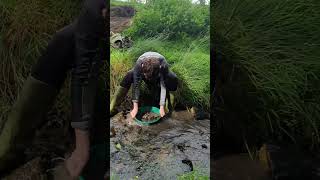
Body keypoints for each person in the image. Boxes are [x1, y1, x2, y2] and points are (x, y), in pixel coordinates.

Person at [0, 0, 107, 179]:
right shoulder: (96, 8)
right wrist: (82, 149)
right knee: (63, 42)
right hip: (97, 29)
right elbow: (85, 71)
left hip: (117, 44)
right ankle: (8, 151)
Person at [110, 52, 178, 122]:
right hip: (144, 71)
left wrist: (161, 106)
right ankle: (112, 107)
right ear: (142, 66)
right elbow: (136, 85)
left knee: (173, 78)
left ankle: (170, 108)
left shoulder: (163, 65)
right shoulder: (139, 64)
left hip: (159, 75)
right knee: (129, 75)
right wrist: (135, 107)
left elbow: (163, 85)